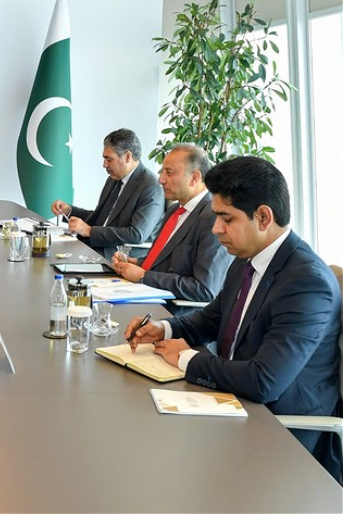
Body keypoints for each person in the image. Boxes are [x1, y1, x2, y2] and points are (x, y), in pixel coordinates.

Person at [126, 156, 342, 481]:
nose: (216, 229)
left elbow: (264, 382)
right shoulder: (247, 258)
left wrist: (186, 358)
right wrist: (164, 328)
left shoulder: (307, 283)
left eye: (226, 218)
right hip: (235, 404)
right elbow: (212, 318)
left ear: (263, 217)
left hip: (283, 434)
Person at [111, 144, 233, 303]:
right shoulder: (174, 210)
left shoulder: (213, 217)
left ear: (194, 178)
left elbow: (204, 289)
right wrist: (138, 263)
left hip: (174, 310)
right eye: (162, 172)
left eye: (169, 172)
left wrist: (143, 276)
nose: (161, 179)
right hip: (147, 295)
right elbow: (166, 261)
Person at [50, 128, 163, 259]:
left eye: (109, 160)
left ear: (128, 157)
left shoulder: (151, 187)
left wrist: (89, 231)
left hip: (118, 254)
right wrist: (69, 211)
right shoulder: (114, 179)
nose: (104, 165)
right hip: (96, 245)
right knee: (48, 248)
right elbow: (101, 219)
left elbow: (136, 234)